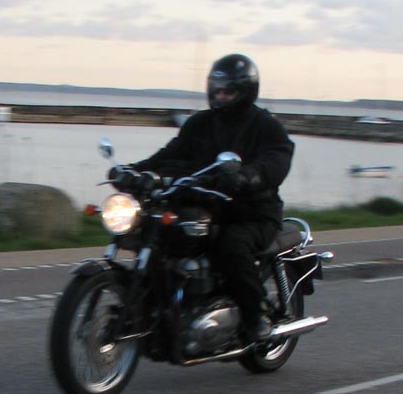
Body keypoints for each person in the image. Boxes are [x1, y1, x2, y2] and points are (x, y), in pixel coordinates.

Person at [120, 53, 294, 341]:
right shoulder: (199, 123)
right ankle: (163, 312)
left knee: (231, 246)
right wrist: (133, 171)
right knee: (156, 233)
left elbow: (276, 161)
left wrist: (246, 177)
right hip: (205, 206)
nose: (220, 95)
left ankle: (256, 318)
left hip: (251, 213)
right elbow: (169, 155)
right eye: (216, 89)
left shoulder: (265, 125)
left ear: (246, 90)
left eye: (228, 91)